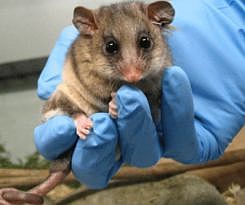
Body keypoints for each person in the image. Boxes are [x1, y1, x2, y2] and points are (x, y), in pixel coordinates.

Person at [34, 0, 245, 189]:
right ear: (89, 27)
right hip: (83, 111)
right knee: (71, 125)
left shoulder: (162, 57)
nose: (133, 73)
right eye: (111, 48)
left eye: (144, 44)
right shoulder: (84, 54)